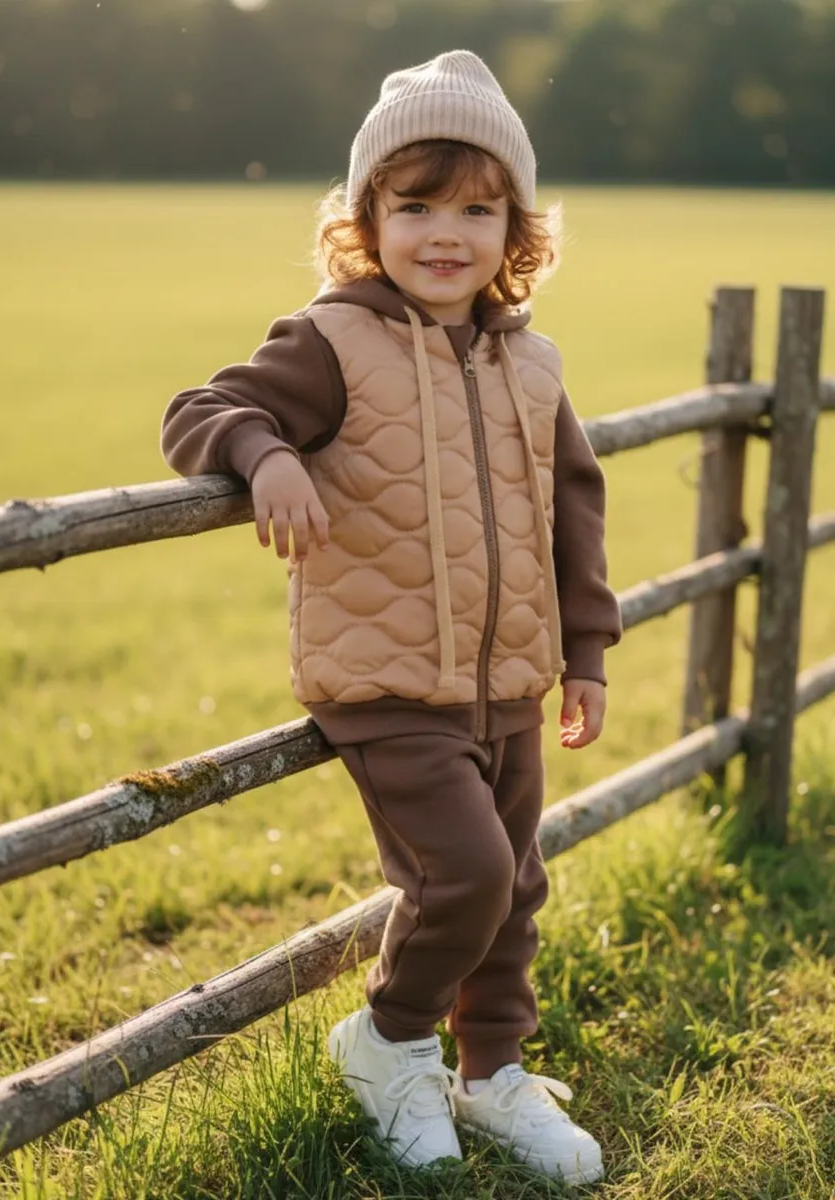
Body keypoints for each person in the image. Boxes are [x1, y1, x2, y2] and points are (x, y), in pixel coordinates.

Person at [161, 50, 621, 1184]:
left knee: (515, 885)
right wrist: (262, 453)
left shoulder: (532, 360)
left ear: (516, 223)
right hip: (386, 680)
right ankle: (390, 1040)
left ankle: (492, 1076)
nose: (445, 232)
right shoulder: (331, 339)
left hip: (511, 678)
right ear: (367, 216)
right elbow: (200, 409)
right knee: (465, 875)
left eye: (476, 206)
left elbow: (575, 511)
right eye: (414, 205)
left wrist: (589, 653)